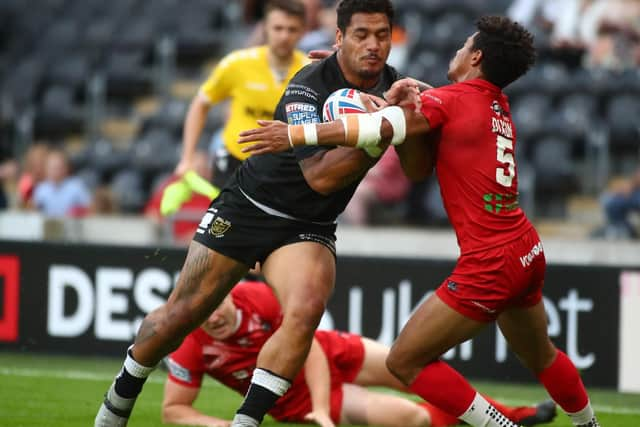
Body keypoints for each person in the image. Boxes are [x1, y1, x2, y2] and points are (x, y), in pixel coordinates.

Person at [238, 15, 601, 427]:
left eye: (464, 45)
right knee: (542, 355)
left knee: (404, 360)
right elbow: (425, 126)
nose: (457, 49)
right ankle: (589, 424)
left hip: (491, 262)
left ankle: (501, 426)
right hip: (526, 249)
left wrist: (295, 135)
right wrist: (367, 81)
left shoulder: (453, 101)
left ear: (476, 56)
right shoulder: (496, 102)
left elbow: (380, 126)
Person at [94, 2, 407, 427]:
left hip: (308, 226)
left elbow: (427, 116)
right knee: (182, 314)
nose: (373, 45)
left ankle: (246, 422)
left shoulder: (394, 87)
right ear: (339, 38)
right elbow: (320, 178)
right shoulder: (307, 83)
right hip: (250, 205)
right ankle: (120, 395)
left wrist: (403, 109)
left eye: (382, 35)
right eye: (361, 35)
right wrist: (377, 136)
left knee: (306, 309)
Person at [162, 281, 557, 427]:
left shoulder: (257, 297)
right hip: (294, 398)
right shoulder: (189, 339)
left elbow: (309, 347)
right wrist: (221, 426)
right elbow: (173, 410)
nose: (210, 318)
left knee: (423, 371)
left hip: (330, 353)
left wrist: (323, 409)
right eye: (200, 312)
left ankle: (511, 417)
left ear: (228, 292)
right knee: (414, 418)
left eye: (214, 305)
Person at [173, 0, 308, 191]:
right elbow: (200, 103)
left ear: (303, 31)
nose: (284, 36)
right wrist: (187, 159)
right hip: (234, 162)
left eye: (291, 29)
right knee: (225, 221)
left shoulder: (309, 71)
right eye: (278, 28)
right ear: (264, 28)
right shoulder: (236, 64)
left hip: (284, 168)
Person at [32, 148, 92, 217]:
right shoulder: (41, 189)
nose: (55, 171)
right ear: (46, 169)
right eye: (52, 168)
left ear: (66, 168)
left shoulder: (77, 187)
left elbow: (89, 209)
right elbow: (35, 213)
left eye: (58, 167)